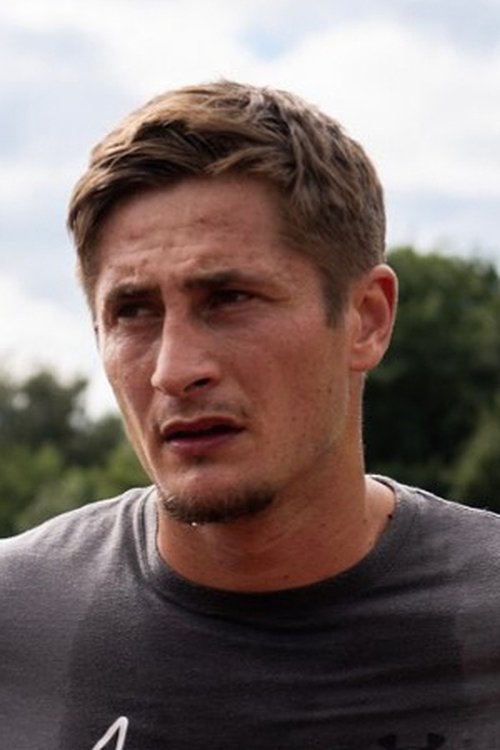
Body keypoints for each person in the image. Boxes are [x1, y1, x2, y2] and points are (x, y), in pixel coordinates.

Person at [1, 80, 499, 750]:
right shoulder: (14, 621)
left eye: (229, 298)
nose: (174, 370)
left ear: (366, 319)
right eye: (134, 311)